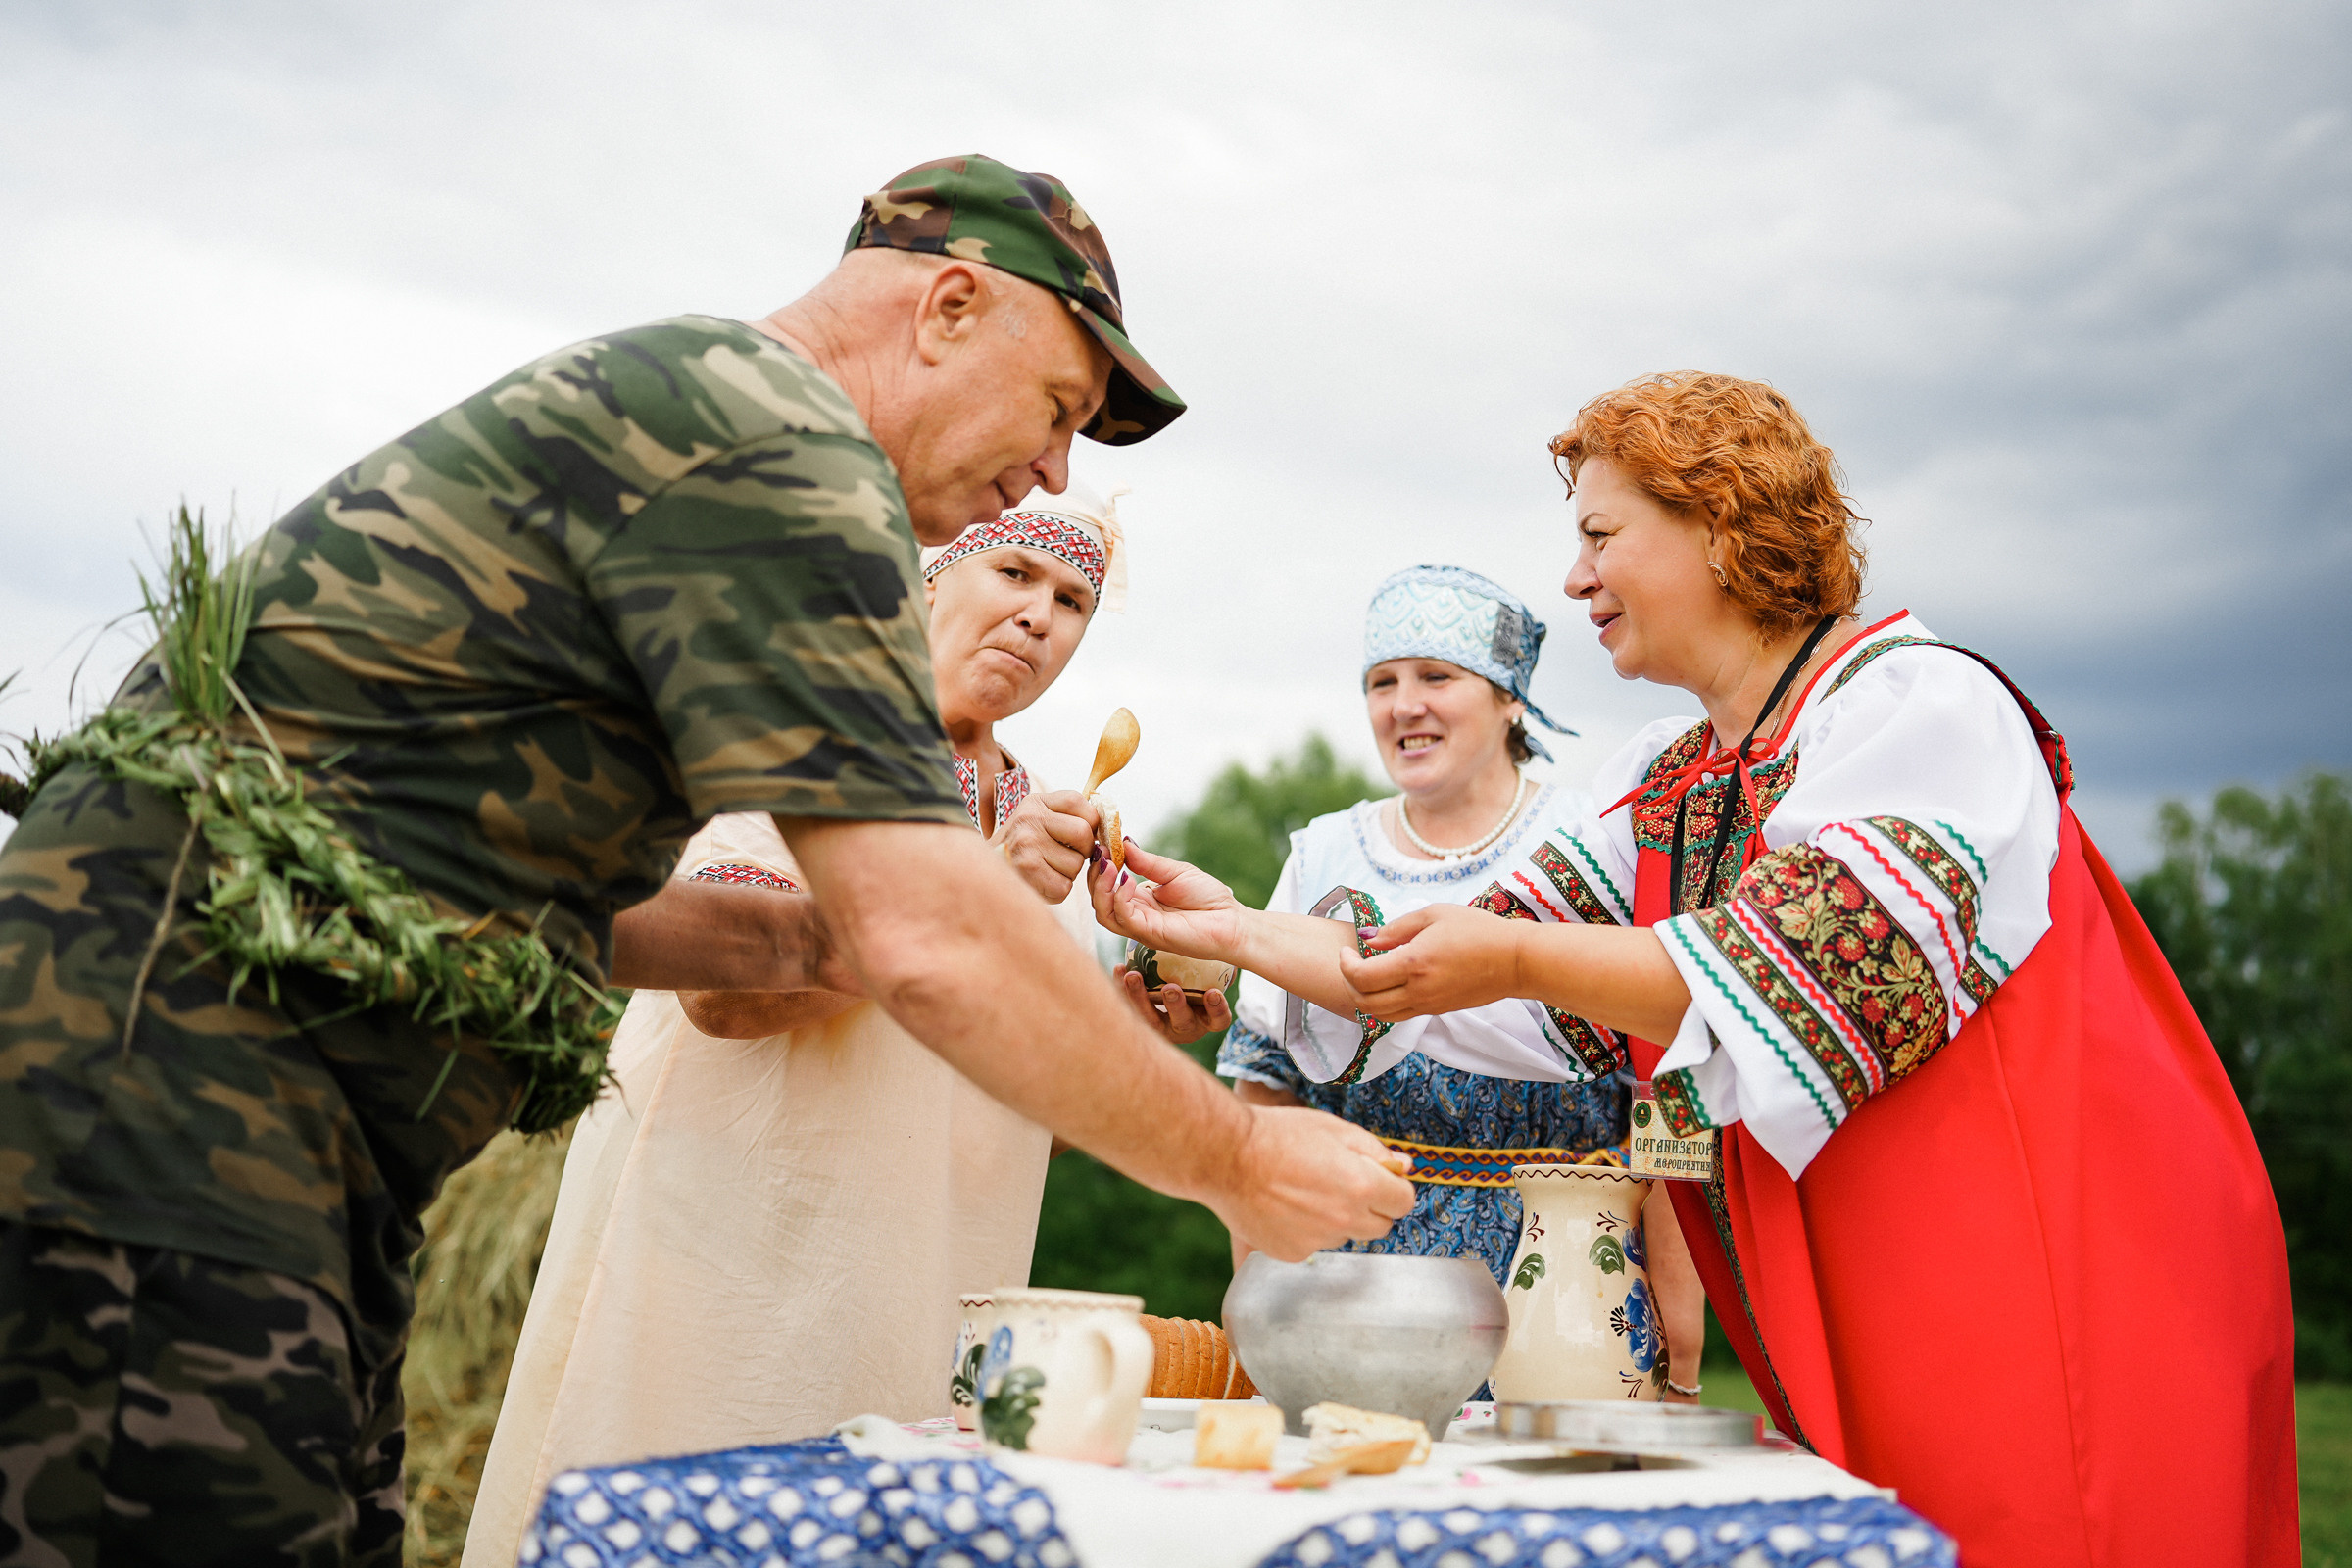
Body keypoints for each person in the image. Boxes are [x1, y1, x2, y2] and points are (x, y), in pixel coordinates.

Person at [0, 156, 1412, 1564]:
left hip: (248, 1098)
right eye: (1056, 409)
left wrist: (829, 943)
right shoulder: (780, 454)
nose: (1051, 473)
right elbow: (926, 935)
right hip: (172, 1081)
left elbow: (607, 911)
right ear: (950, 308)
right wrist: (1234, 1157)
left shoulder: (726, 429)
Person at [1107, 371, 2297, 1565]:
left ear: (1721, 523)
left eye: (1599, 535)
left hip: (2064, 1274)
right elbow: (1442, 965)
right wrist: (1225, 926)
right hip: (1877, 1294)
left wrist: (1515, 953)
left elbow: (1809, 962)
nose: (1574, 578)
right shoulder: (1670, 781)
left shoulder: (1916, 707)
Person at [461, 486, 1135, 1564]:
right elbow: (723, 996)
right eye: (1013, 574)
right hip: (729, 1277)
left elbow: (986, 1082)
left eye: (1073, 600)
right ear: (922, 579)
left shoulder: (1039, 817)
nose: (1040, 615)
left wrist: (1132, 1023)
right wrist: (971, 890)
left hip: (915, 1300)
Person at [1211, 567, 1669, 1338]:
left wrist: (1676, 1319)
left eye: (1437, 676)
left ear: (1510, 697)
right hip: (1348, 1282)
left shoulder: (1593, 845)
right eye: (1381, 681)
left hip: (1561, 1286)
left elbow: (1663, 1082)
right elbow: (1264, 1092)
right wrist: (1257, 1305)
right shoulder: (1324, 858)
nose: (1404, 705)